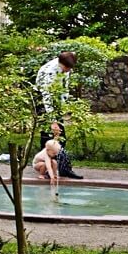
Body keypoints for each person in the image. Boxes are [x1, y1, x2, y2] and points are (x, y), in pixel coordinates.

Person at [36, 51, 83, 179]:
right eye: (66, 68)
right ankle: (45, 169)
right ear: (60, 63)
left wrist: (62, 110)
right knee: (47, 138)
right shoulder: (50, 72)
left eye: (69, 69)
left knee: (61, 137)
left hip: (56, 99)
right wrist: (52, 121)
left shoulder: (66, 68)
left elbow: (64, 90)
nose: (68, 71)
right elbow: (46, 96)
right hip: (43, 100)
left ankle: (63, 169)